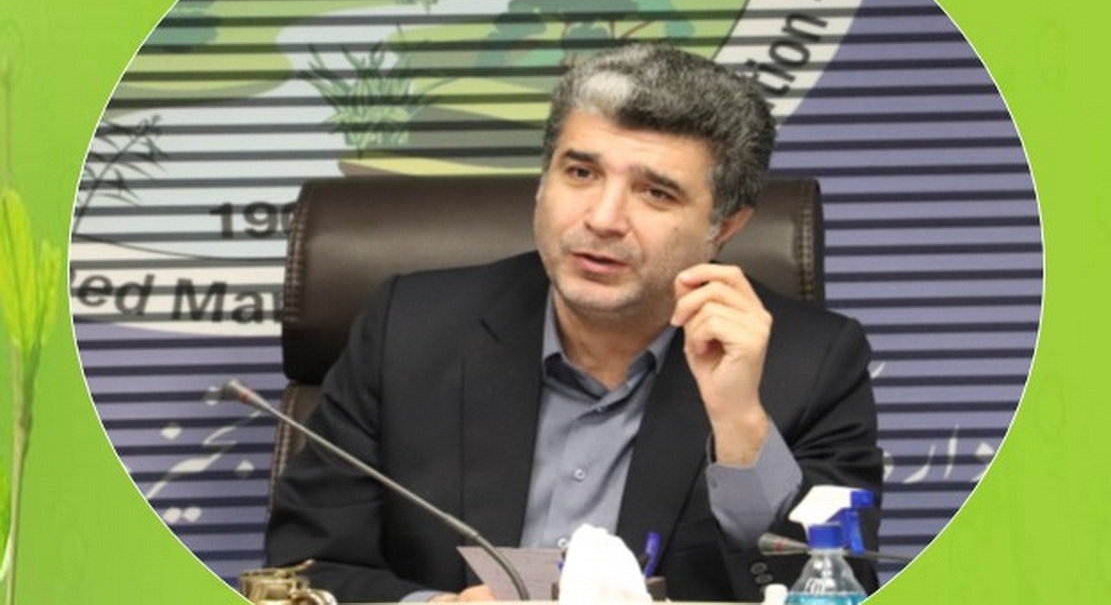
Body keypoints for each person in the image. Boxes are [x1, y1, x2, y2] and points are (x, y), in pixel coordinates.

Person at [266, 43, 882, 602]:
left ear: (725, 226)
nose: (603, 219)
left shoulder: (810, 365)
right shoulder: (409, 329)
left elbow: (831, 590)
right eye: (581, 173)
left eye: (656, 193)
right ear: (543, 182)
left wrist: (740, 430)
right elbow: (304, 570)